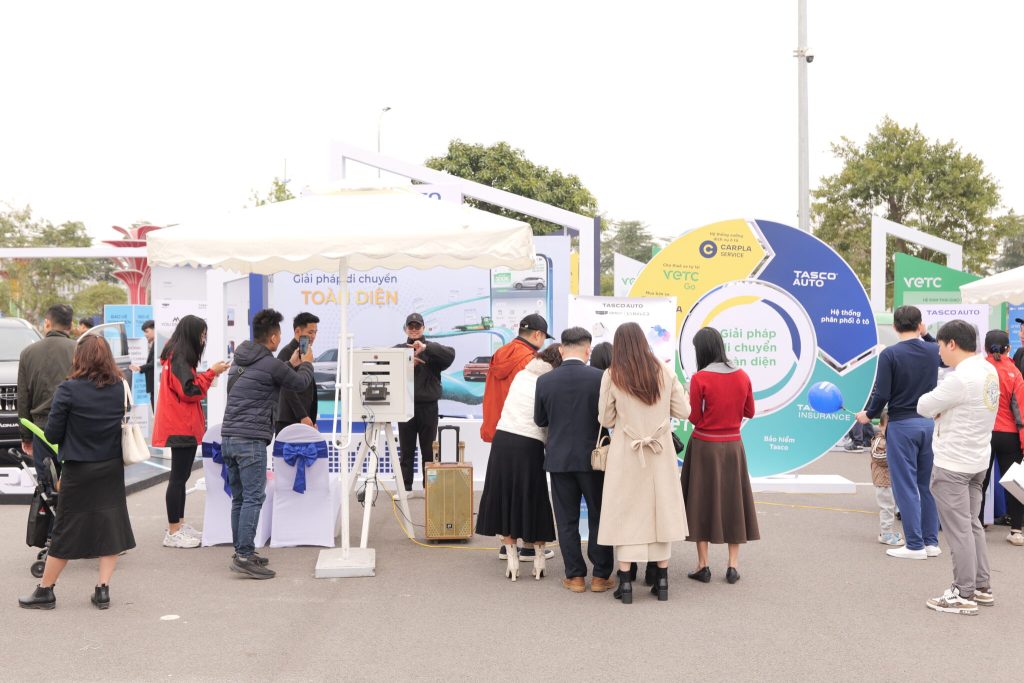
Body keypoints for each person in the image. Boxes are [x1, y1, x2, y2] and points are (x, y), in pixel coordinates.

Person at [18, 336, 136, 610]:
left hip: (78, 469)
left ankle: (45, 591)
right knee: (110, 527)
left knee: (65, 529)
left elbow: (52, 434)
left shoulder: (68, 389)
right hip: (110, 467)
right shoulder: (119, 386)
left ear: (79, 358)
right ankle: (103, 590)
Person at [596, 322, 689, 604]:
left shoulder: (612, 374)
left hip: (627, 451)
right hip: (660, 451)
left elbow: (605, 418)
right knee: (661, 512)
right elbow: (684, 411)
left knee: (626, 514)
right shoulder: (665, 371)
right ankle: (662, 580)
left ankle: (625, 583)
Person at [222, 309, 314, 579]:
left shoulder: (239, 361)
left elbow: (266, 379)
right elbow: (299, 383)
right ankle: (244, 556)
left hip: (228, 437)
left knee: (240, 498)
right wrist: (307, 363)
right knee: (253, 498)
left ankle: (242, 551)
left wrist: (290, 364)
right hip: (250, 440)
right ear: (273, 338)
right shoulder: (270, 363)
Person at [917, 320, 999, 615]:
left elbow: (924, 406)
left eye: (940, 345)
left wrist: (942, 410)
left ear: (952, 343)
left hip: (953, 462)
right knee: (972, 524)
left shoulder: (960, 378)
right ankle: (981, 586)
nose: (939, 351)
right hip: (978, 460)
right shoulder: (988, 370)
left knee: (959, 530)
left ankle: (963, 593)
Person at [856, 305, 942, 560]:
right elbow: (940, 354)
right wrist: (926, 335)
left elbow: (882, 393)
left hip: (902, 425)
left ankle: (914, 545)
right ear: (919, 325)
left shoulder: (890, 354)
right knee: (926, 486)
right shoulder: (932, 350)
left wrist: (868, 414)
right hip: (928, 425)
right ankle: (930, 542)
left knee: (905, 486)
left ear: (894, 326)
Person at [535, 327, 614, 594]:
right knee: (599, 515)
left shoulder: (545, 381)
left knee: (566, 519)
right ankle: (601, 576)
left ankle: (575, 576)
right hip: (594, 460)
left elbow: (540, 420)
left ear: (561, 349)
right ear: (587, 349)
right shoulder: (601, 378)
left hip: (558, 459)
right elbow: (608, 417)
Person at [680, 327, 759, 586]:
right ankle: (732, 565)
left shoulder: (700, 378)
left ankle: (703, 565)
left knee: (700, 501)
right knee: (734, 501)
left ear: (702, 350)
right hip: (733, 445)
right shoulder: (742, 375)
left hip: (704, 445)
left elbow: (694, 417)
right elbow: (750, 411)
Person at [476, 344, 561, 581]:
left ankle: (511, 558)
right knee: (534, 497)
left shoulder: (522, 375)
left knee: (506, 497)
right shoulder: (550, 381)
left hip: (503, 438)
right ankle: (539, 558)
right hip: (529, 442)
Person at [152, 315, 230, 549]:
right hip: (180, 425)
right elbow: (190, 390)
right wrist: (211, 373)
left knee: (181, 477)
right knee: (178, 478)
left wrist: (209, 374)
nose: (203, 339)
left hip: (180, 423)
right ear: (191, 334)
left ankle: (179, 525)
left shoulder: (177, 355)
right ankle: (173, 530)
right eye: (202, 334)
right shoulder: (179, 357)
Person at [394, 312, 455, 495]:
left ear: (423, 328)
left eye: (417, 326)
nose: (414, 329)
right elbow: (383, 365)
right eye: (410, 326)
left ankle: (430, 488)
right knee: (406, 450)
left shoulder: (433, 350)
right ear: (405, 329)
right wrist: (407, 364)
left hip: (428, 407)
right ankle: (405, 488)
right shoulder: (398, 350)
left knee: (429, 451)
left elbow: (451, 355)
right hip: (406, 407)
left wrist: (425, 347)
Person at [17, 304, 76, 483]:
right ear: (71, 325)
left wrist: (26, 436)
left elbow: (23, 397)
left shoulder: (28, 353)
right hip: (72, 427)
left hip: (41, 428)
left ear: (47, 323)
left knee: (46, 483)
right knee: (72, 482)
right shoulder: (79, 349)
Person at [980, 329, 1024, 545]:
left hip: (983, 433)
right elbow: (1020, 410)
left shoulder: (979, 370)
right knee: (1014, 482)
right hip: (1010, 435)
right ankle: (1016, 531)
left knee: (979, 481)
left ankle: (976, 526)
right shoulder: (1014, 372)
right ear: (1008, 348)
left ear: (985, 348)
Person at [275, 312, 321, 434]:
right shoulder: (286, 353)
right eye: (310, 332)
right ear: (297, 331)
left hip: (303, 420)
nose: (313, 336)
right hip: (289, 420)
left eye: (315, 332)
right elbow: (286, 388)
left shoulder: (306, 354)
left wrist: (311, 418)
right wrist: (302, 416)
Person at [870, 412, 903, 546]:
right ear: (880, 426)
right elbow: (876, 456)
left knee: (892, 506)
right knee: (887, 507)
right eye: (888, 427)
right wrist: (895, 454)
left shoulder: (895, 440)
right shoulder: (879, 440)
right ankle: (886, 534)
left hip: (893, 480)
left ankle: (888, 531)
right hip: (883, 481)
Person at [130, 319, 156, 409]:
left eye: (147, 331)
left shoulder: (158, 344)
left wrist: (140, 368)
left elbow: (154, 363)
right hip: (153, 386)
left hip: (156, 385)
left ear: (154, 329)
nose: (145, 334)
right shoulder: (154, 343)